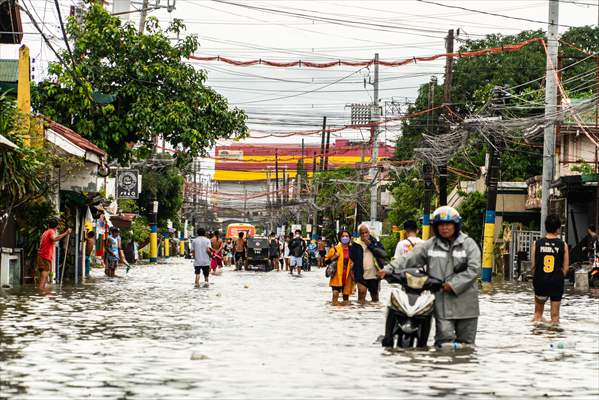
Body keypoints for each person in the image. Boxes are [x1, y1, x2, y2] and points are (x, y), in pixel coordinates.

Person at [379, 206, 481, 347]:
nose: (444, 228)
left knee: (467, 346)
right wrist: (388, 269)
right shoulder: (430, 245)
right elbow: (409, 258)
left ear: (456, 225)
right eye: (441, 225)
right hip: (441, 304)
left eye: (448, 224)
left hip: (467, 306)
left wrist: (452, 284)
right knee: (443, 343)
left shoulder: (469, 244)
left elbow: (474, 269)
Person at [531, 214, 569, 324]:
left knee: (538, 314)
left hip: (540, 281)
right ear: (558, 228)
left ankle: (535, 337)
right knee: (555, 316)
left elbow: (533, 267)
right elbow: (565, 269)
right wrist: (557, 276)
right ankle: (553, 338)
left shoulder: (536, 244)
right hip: (556, 282)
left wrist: (539, 276)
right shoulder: (563, 245)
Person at [350, 224, 387, 304]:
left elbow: (383, 254)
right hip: (360, 274)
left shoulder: (375, 242)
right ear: (359, 234)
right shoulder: (355, 244)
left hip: (374, 275)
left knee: (375, 298)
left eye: (366, 232)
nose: (364, 235)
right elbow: (352, 259)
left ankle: (372, 315)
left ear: (369, 232)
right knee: (361, 295)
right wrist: (352, 273)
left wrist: (370, 245)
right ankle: (362, 314)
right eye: (362, 233)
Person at [37, 219, 71, 289]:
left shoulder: (45, 232)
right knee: (44, 277)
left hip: (42, 255)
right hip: (45, 256)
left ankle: (42, 293)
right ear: (56, 226)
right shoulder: (51, 231)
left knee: (44, 277)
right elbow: (54, 238)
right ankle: (41, 292)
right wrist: (66, 233)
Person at [326, 230, 355, 305]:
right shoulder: (335, 249)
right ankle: (335, 312)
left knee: (346, 300)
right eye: (343, 236)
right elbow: (326, 261)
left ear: (349, 238)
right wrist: (334, 256)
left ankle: (343, 314)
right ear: (339, 238)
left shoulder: (352, 249)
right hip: (336, 276)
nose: (345, 238)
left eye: (347, 236)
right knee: (335, 294)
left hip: (348, 277)